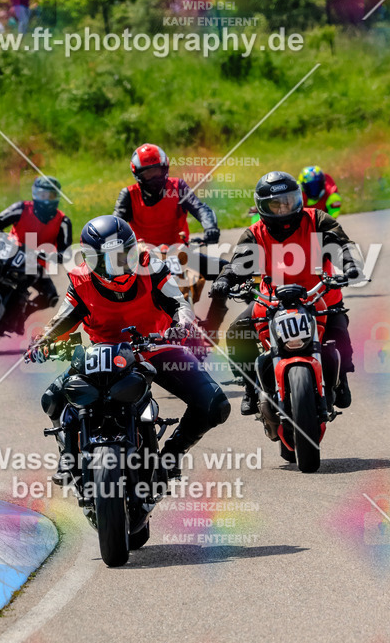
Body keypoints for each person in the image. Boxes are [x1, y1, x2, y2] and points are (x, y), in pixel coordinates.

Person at [25, 215, 231, 479]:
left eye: (126, 256)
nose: (120, 266)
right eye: (110, 260)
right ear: (92, 260)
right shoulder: (80, 282)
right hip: (103, 355)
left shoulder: (151, 267)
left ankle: (171, 456)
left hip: (156, 347)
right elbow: (61, 321)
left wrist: (182, 324)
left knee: (215, 404)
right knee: (52, 399)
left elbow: (179, 304)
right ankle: (68, 456)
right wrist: (42, 341)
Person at [208, 171, 362, 416]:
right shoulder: (254, 233)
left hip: (318, 295)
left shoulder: (317, 219)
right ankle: (251, 386)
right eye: (275, 205)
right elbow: (239, 262)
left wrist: (350, 264)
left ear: (298, 199)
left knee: (339, 329)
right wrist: (225, 279)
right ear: (262, 207)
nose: (283, 209)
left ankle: (340, 378)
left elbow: (341, 243)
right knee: (237, 332)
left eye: (288, 201)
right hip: (272, 300)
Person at [114, 143, 228, 333]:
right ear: (138, 175)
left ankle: (212, 328)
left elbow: (200, 208)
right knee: (116, 284)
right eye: (148, 173)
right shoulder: (128, 195)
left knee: (228, 271)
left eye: (157, 171)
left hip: (180, 254)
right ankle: (125, 333)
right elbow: (116, 225)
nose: (154, 177)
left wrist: (210, 227)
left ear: (165, 168)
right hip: (144, 260)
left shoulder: (178, 187)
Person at [0, 176, 71, 313]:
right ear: (35, 194)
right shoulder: (21, 208)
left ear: (57, 197)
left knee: (51, 297)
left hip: (35, 265)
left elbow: (65, 251)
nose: (46, 200)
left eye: (51, 196)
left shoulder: (63, 222)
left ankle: (21, 315)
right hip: (8, 252)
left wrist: (58, 256)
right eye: (42, 195)